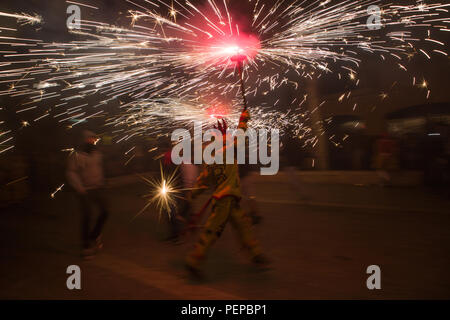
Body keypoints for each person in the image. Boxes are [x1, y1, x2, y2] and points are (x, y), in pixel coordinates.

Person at [185, 109, 270, 279]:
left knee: (243, 226)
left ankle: (256, 254)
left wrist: (191, 195)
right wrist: (244, 119)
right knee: (211, 231)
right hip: (225, 200)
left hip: (228, 199)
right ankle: (194, 261)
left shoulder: (209, 159)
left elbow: (202, 182)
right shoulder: (229, 149)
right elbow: (241, 135)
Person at [66, 130, 109, 259]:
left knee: (105, 211)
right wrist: (79, 187)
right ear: (85, 140)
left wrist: (103, 181)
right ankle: (86, 246)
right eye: (91, 139)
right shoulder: (77, 155)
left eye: (94, 139)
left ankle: (94, 235)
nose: (93, 141)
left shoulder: (97, 153)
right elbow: (71, 172)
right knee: (87, 216)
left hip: (97, 188)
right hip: (84, 190)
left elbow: (100, 168)